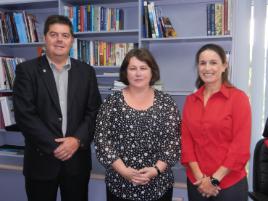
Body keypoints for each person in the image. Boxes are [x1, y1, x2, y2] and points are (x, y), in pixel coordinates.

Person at [13, 15, 101, 201]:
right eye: (54, 34)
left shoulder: (86, 72)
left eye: (65, 35)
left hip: (77, 163)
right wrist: (56, 147)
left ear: (72, 40)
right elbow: (25, 115)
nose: (60, 40)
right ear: (45, 38)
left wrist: (76, 140)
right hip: (40, 162)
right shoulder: (26, 71)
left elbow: (93, 112)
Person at [94, 48, 181, 201]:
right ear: (125, 73)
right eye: (133, 68)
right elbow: (102, 141)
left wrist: (156, 170)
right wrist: (124, 171)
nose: (138, 73)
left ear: (152, 71)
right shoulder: (112, 102)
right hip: (120, 184)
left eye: (143, 68)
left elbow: (173, 142)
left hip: (158, 184)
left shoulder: (167, 103)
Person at [181, 43, 251, 201]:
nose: (207, 68)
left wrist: (213, 180)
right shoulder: (191, 101)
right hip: (196, 182)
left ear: (224, 66)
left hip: (229, 184)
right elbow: (187, 142)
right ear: (198, 67)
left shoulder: (238, 99)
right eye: (202, 63)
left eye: (213, 62)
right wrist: (201, 179)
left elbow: (240, 146)